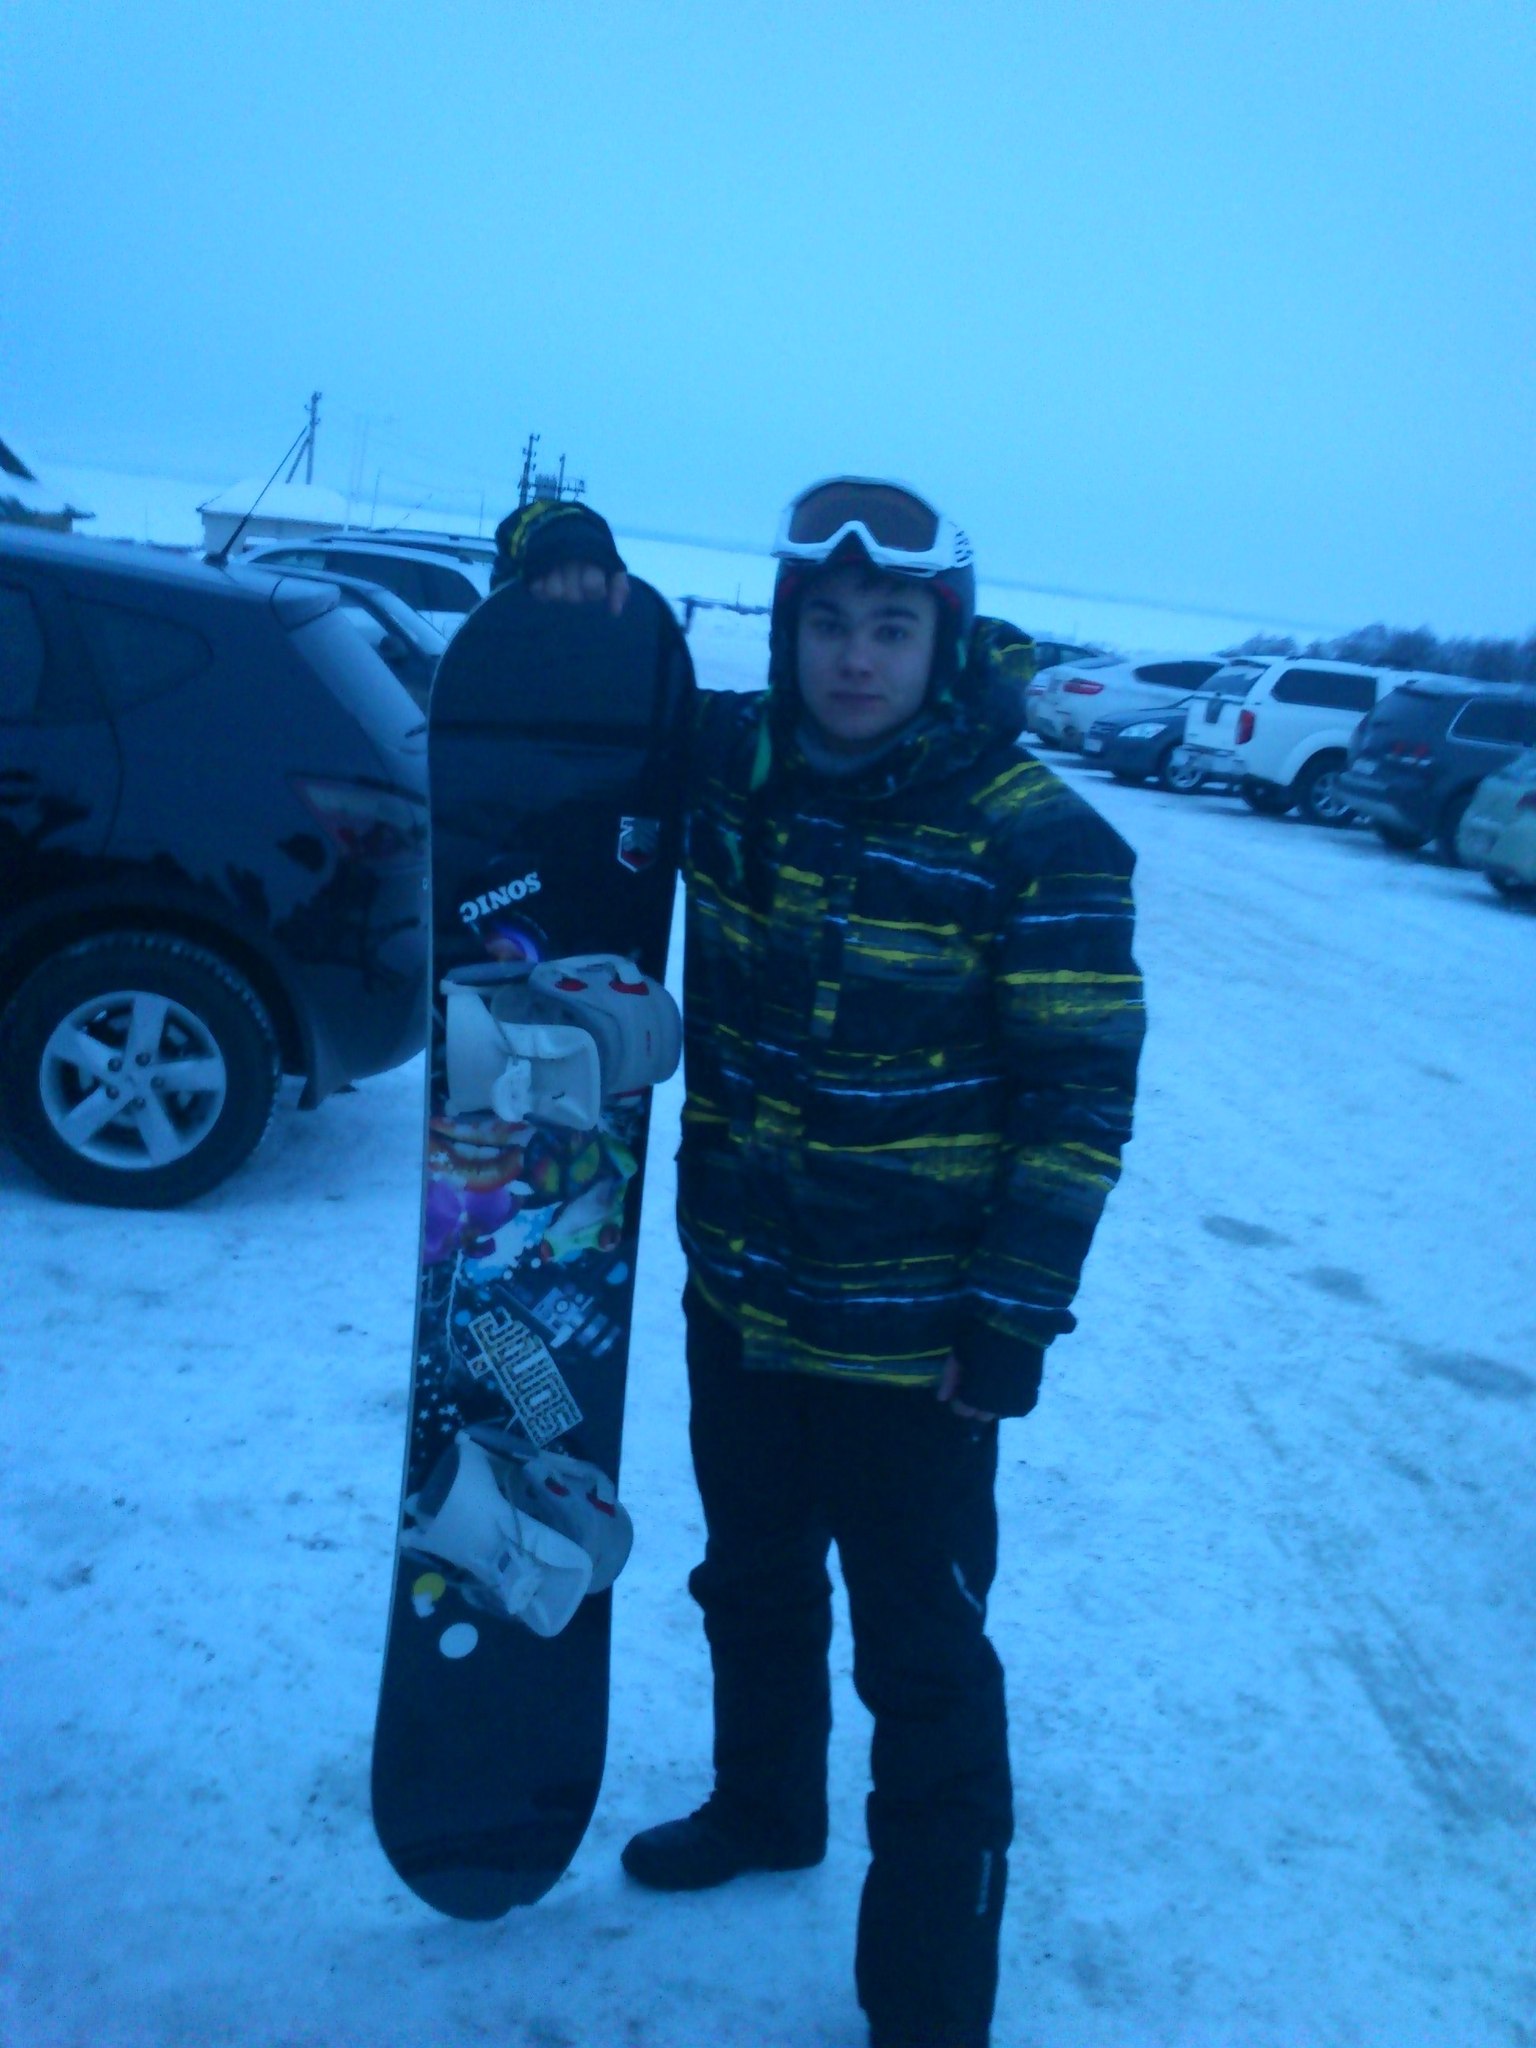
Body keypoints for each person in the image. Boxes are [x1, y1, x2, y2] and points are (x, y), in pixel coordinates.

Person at [491, 478, 1146, 2048]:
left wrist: (1014, 1323)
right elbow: (575, 686)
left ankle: (928, 2004)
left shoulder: (1039, 835)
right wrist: (564, 562)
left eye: (893, 628)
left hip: (918, 1347)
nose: (857, 658)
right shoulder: (736, 769)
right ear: (789, 633)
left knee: (925, 1665)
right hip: (741, 1294)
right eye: (829, 624)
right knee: (753, 1580)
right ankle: (765, 1808)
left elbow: (1077, 1101)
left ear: (943, 642)